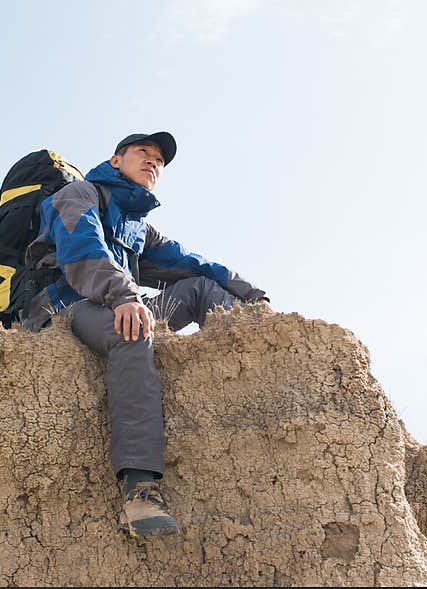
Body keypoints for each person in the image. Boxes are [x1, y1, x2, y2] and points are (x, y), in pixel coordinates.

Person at [22, 131, 271, 537]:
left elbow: (192, 262)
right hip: (66, 307)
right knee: (134, 333)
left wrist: (254, 298)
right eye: (143, 153)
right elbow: (83, 251)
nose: (153, 162)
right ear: (116, 160)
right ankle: (140, 489)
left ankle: (261, 365)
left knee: (202, 289)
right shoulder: (80, 195)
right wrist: (122, 295)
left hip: (116, 304)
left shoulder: (138, 228)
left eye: (159, 160)